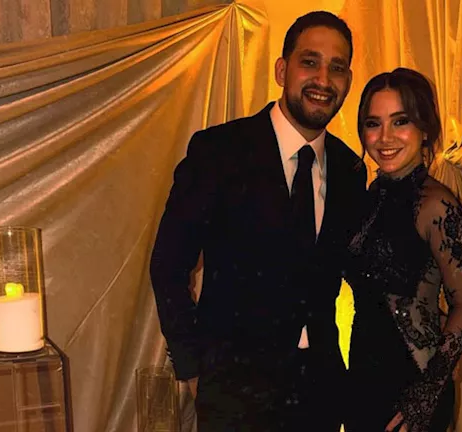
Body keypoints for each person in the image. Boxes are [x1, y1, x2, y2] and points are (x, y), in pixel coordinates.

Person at [150, 11, 367, 432]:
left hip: (319, 395)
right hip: (233, 394)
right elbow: (168, 265)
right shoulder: (219, 151)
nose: (323, 79)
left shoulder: (350, 170)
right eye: (310, 61)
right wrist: (193, 368)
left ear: (348, 81)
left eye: (337, 67)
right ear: (282, 70)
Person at [344, 68, 462, 432]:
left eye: (400, 121)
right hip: (362, 382)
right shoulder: (370, 198)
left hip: (413, 386)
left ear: (425, 129)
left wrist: (426, 394)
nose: (385, 137)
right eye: (373, 124)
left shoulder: (437, 205)